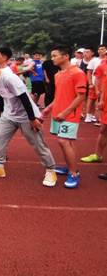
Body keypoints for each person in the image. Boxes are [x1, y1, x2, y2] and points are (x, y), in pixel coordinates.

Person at [0, 53, 57, 187]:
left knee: (37, 143)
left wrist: (32, 119)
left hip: (27, 115)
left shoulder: (9, 78)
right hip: (9, 114)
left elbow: (24, 98)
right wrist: (2, 111)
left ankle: (51, 170)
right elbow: (0, 94)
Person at [42, 46, 88, 189]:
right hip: (58, 113)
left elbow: (81, 96)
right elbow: (59, 95)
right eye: (52, 56)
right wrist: (48, 108)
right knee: (67, 142)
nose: (52, 58)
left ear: (66, 56)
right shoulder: (58, 74)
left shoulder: (77, 73)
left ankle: (74, 173)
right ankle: (70, 167)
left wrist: (65, 112)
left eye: (55, 55)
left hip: (69, 115)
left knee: (63, 141)